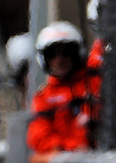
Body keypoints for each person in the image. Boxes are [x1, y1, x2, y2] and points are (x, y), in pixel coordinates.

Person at [26, 21, 101, 154]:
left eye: (66, 52)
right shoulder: (43, 97)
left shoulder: (94, 80)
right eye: (52, 54)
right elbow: (38, 137)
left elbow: (100, 50)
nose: (59, 60)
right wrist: (70, 148)